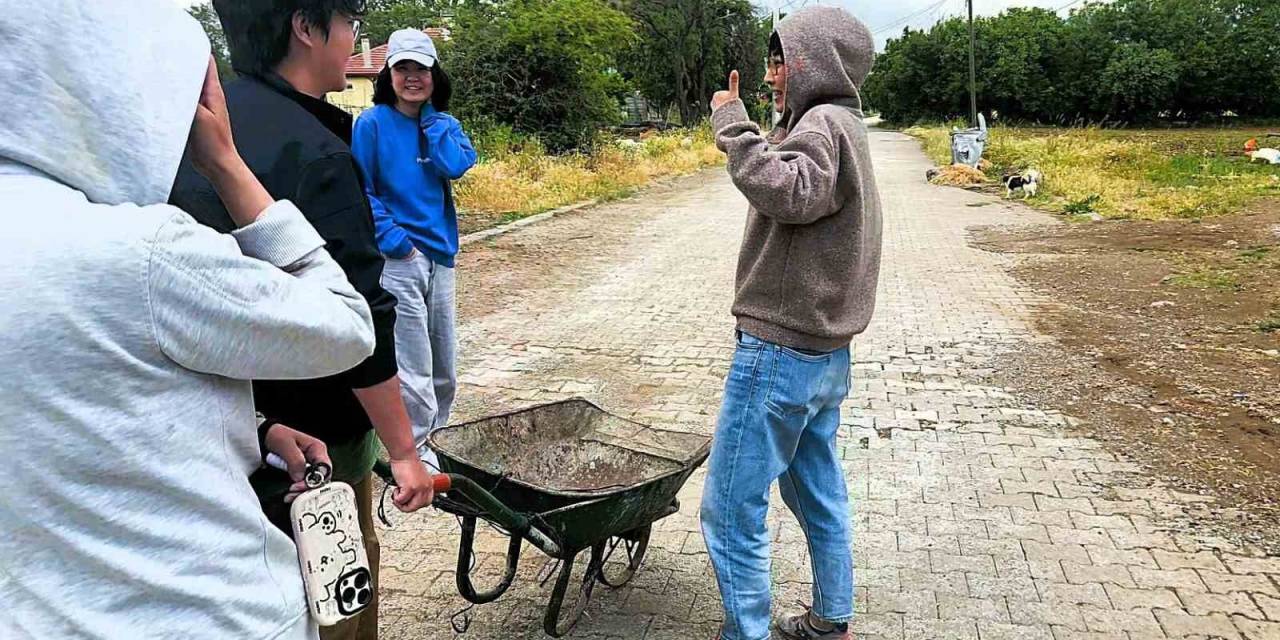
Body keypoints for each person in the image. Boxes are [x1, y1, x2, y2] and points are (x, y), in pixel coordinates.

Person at [0, 2, 378, 638]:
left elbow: (60, 397)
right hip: (204, 610)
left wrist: (250, 430)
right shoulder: (135, 250)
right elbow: (345, 326)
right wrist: (226, 163)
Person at [169, 3, 437, 639]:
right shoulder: (316, 150)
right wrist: (404, 452)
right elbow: (360, 319)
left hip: (229, 425)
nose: (352, 39)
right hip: (317, 440)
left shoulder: (197, 129)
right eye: (348, 21)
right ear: (305, 27)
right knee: (340, 596)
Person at [699, 7, 883, 640]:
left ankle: (745, 633)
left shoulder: (823, 124)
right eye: (772, 60)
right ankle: (831, 618)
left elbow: (786, 190)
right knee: (816, 493)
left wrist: (734, 126)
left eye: (784, 60)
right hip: (822, 357)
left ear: (817, 63)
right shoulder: (846, 125)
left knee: (729, 509)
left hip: (779, 353)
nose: (774, 74)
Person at [351, 29, 477, 464]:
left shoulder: (445, 125)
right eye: (402, 68)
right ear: (389, 75)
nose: (412, 77)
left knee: (444, 360)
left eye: (420, 68)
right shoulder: (371, 125)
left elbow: (456, 165)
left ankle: (440, 439)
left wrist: (430, 122)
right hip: (400, 258)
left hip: (441, 255)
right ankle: (418, 447)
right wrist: (395, 241)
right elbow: (361, 189)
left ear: (433, 74)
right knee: (413, 360)